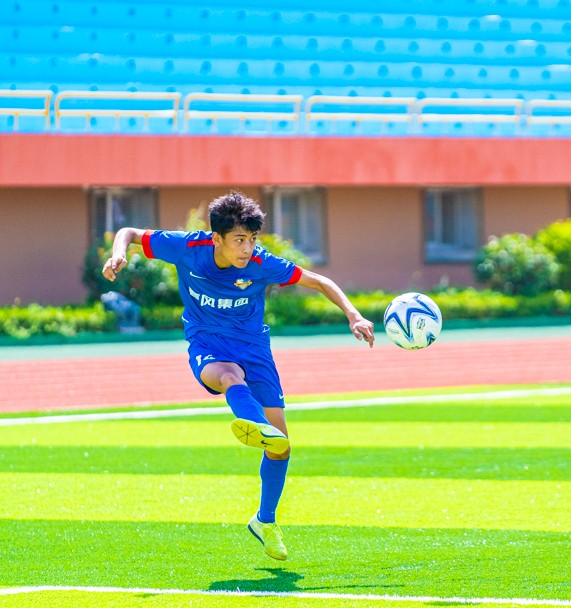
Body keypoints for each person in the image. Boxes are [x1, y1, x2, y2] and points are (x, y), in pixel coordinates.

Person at [102, 190, 375, 561]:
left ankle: (264, 521)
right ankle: (252, 422)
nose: (247, 248)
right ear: (217, 239)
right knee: (230, 376)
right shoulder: (188, 247)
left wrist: (353, 315)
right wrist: (119, 253)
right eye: (239, 240)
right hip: (207, 343)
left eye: (251, 240)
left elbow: (320, 282)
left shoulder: (262, 263)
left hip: (254, 349)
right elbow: (130, 232)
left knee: (281, 447)